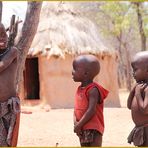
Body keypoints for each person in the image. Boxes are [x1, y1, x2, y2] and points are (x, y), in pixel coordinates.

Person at [72, 54, 109, 146]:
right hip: (82, 127)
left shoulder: (93, 90)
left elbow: (91, 110)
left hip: (93, 128)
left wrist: (79, 125)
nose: (72, 72)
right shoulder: (80, 88)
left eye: (75, 69)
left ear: (85, 73)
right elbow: (76, 109)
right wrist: (76, 123)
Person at [0, 23, 20, 146]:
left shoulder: (13, 52)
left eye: (4, 34)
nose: (2, 38)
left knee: (8, 141)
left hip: (8, 106)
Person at [127, 51, 148, 147]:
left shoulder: (146, 89)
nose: (133, 73)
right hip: (140, 129)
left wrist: (138, 93)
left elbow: (144, 109)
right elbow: (129, 106)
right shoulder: (139, 86)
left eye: (135, 70)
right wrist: (133, 91)